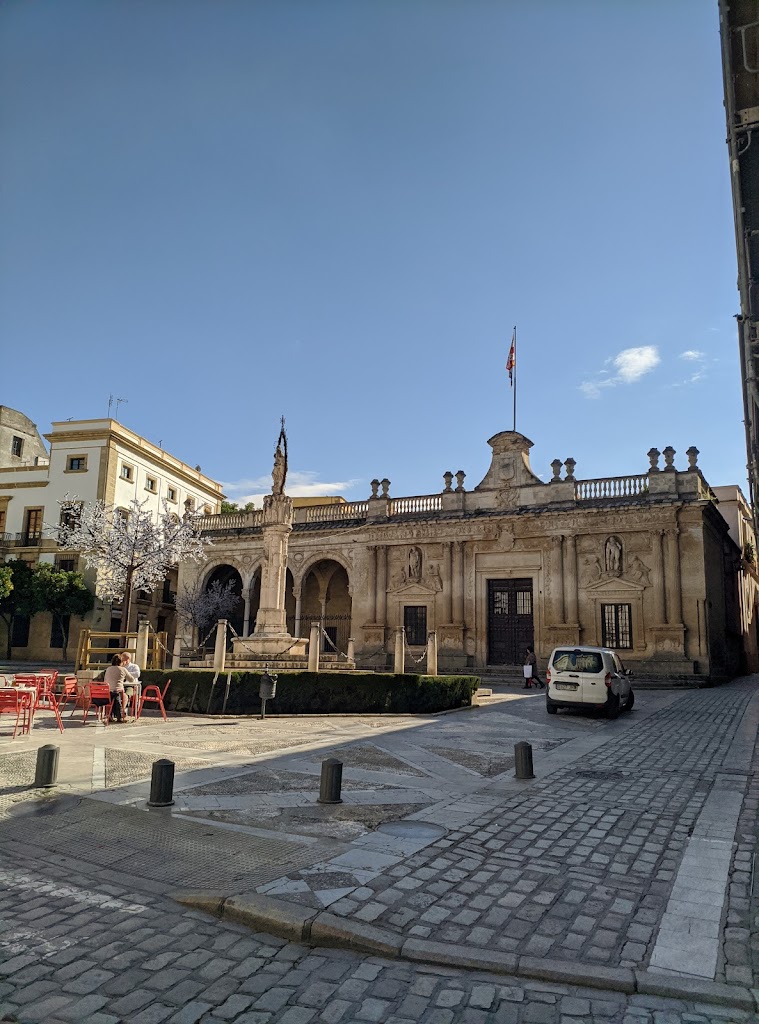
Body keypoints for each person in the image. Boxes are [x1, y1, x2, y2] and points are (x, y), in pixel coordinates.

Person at [104, 653, 129, 723]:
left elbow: (105, 680)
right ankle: (121, 714)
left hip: (108, 691)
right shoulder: (122, 669)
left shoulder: (108, 669)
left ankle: (109, 715)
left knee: (113, 697)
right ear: (121, 662)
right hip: (118, 691)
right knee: (124, 697)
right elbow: (131, 679)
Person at [120, 651, 141, 718]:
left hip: (131, 686)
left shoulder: (134, 666)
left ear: (127, 659)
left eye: (122, 658)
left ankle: (124, 709)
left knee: (127, 694)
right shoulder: (119, 667)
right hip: (121, 685)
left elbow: (137, 674)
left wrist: (126, 674)